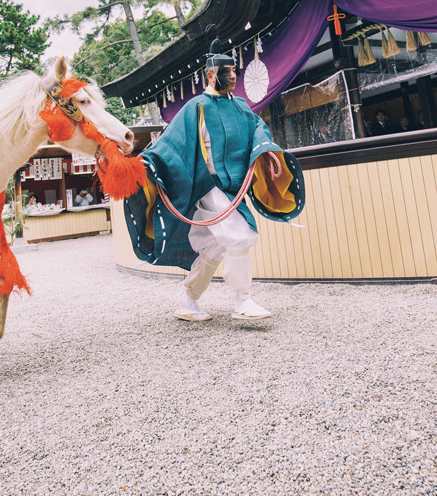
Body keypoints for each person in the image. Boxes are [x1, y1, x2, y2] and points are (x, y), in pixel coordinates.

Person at [124, 39, 306, 322]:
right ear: (210, 75)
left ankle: (188, 300)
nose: (234, 75)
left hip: (234, 188)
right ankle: (242, 300)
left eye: (235, 70)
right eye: (227, 71)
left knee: (214, 246)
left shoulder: (243, 106)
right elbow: (171, 144)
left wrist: (264, 149)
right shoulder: (196, 106)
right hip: (208, 185)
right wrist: (143, 164)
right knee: (239, 235)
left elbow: (259, 130)